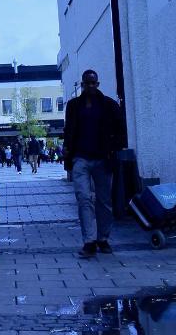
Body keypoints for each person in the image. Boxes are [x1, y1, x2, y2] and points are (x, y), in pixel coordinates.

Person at [64, 69, 125, 258]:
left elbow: (121, 131)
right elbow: (69, 130)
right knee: (83, 198)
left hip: (103, 159)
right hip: (80, 158)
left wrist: (112, 148)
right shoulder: (73, 106)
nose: (90, 86)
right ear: (82, 84)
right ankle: (89, 241)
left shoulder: (109, 105)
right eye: (87, 83)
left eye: (93, 83)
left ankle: (103, 238)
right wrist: (68, 151)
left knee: (104, 201)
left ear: (98, 84)